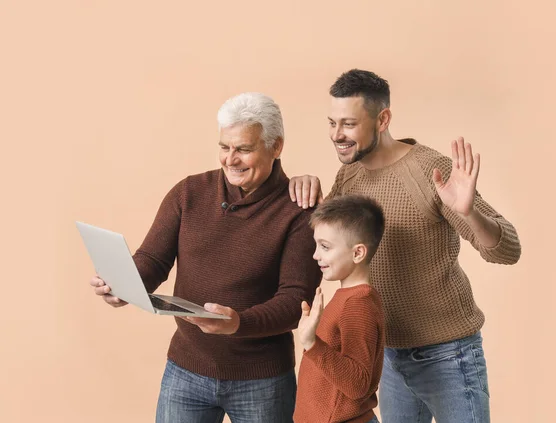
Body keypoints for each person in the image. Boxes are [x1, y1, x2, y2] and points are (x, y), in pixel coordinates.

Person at [289, 69, 521, 423]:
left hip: (448, 356)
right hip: (388, 358)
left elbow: (506, 249)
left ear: (382, 119)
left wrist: (469, 213)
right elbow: (327, 242)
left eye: (349, 124)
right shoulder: (349, 176)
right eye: (332, 123)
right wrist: (305, 188)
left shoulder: (431, 170)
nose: (337, 135)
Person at [89, 92, 322, 423]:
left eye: (243, 149)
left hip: (263, 381)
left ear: (276, 146)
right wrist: (123, 285)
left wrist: (237, 322)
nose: (230, 159)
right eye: (224, 147)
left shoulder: (298, 211)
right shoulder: (188, 192)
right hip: (185, 370)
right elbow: (153, 260)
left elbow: (295, 301)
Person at [294, 194, 386, 423]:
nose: (316, 255)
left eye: (325, 247)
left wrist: (311, 343)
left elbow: (357, 385)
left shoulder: (358, 304)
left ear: (357, 253)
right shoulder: (348, 297)